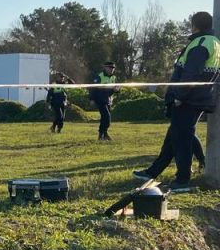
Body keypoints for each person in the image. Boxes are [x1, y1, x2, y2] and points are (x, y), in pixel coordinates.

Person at [132, 11, 219, 192]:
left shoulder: (200, 43)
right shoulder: (214, 43)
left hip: (188, 99)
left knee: (182, 140)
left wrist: (179, 95)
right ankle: (152, 172)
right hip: (197, 97)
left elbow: (191, 73)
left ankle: (182, 180)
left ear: (194, 25)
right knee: (174, 136)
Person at [89, 62, 117, 141]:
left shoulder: (113, 78)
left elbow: (114, 89)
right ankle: (104, 133)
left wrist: (116, 90)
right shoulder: (99, 76)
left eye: (113, 68)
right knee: (107, 117)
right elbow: (92, 88)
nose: (111, 70)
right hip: (100, 99)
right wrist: (91, 99)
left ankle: (102, 134)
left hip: (108, 100)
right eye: (110, 68)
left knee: (104, 118)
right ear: (105, 68)